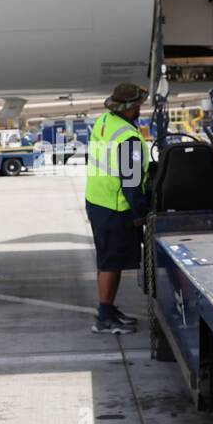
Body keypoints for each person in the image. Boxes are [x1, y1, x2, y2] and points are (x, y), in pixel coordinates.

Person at [84, 83, 150, 334]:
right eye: (139, 105)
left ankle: (109, 309)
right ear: (132, 107)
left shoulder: (104, 121)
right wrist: (142, 213)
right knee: (112, 263)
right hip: (114, 207)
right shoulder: (128, 139)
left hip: (97, 200)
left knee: (108, 261)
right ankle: (103, 317)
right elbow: (132, 184)